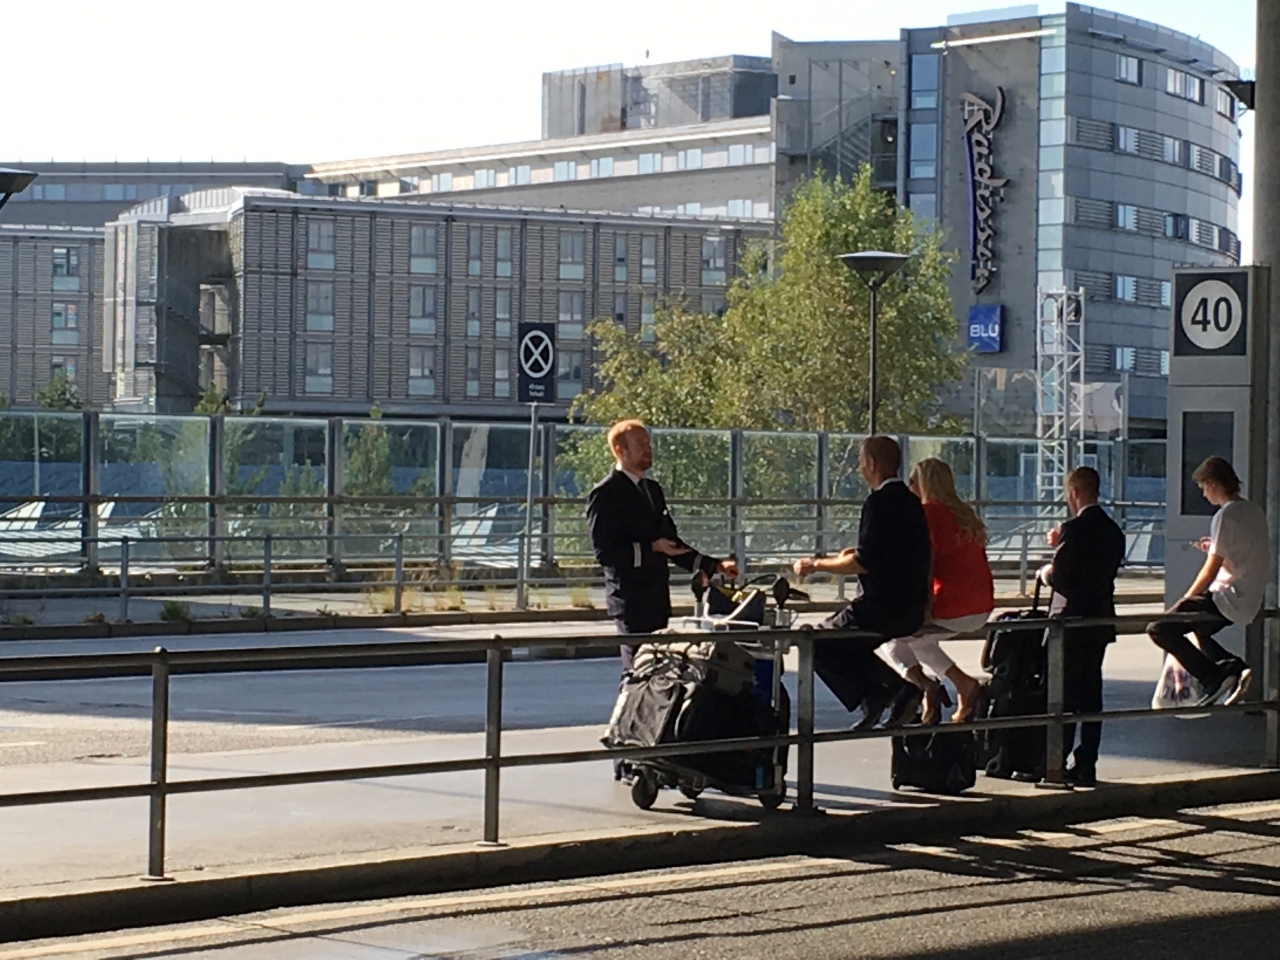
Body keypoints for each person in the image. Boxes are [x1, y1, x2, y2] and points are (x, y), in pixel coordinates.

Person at [793, 435, 932, 730]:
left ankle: (886, 692)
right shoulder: (912, 502)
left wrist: (815, 565)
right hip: (910, 606)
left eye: (860, 461)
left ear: (872, 463)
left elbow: (863, 562)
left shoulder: (878, 502)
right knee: (847, 645)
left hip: (880, 607)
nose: (859, 468)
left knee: (817, 642)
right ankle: (887, 693)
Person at [587, 418, 738, 673]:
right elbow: (606, 552)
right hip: (630, 600)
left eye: (648, 444)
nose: (648, 450)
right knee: (638, 671)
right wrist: (651, 549)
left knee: (656, 673)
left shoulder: (653, 490)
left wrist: (713, 565)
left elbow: (671, 544)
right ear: (620, 450)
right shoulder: (606, 493)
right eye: (640, 445)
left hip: (657, 598)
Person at [1147, 456, 1268, 708]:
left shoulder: (1226, 515)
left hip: (1226, 596)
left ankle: (1213, 676)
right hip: (1249, 599)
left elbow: (1210, 569)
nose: (1203, 494)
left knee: (1159, 628)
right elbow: (1243, 552)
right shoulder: (1254, 511)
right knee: (1197, 630)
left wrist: (1187, 599)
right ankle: (1233, 667)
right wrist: (1213, 546)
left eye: (1203, 487)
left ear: (1213, 483)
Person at [880, 458, 993, 724]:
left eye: (912, 481)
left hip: (953, 604)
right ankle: (954, 686)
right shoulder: (965, 514)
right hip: (981, 604)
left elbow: (926, 564)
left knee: (891, 636)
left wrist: (924, 607)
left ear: (924, 483)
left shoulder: (927, 514)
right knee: (919, 639)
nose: (908, 486)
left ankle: (930, 686)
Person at [1036, 466, 1125, 786]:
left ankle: (1056, 762)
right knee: (1092, 694)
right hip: (1099, 620)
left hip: (1072, 621)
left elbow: (1063, 577)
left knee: (1065, 694)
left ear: (1073, 492)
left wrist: (1046, 572)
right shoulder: (1114, 531)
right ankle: (1087, 762)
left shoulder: (1073, 529)